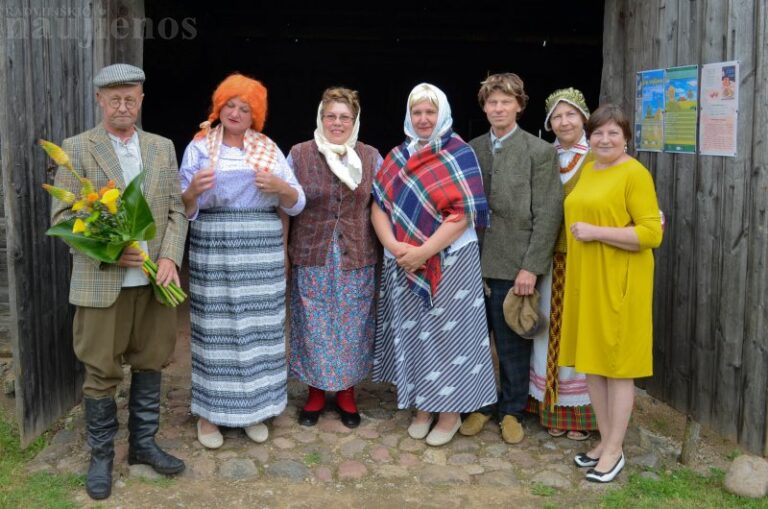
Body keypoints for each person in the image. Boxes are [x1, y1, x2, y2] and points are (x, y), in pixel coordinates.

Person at [50, 64, 188, 500]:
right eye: (114, 99)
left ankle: (144, 445)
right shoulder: (78, 149)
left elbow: (176, 211)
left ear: (142, 98)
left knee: (151, 361)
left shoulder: (162, 147)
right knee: (100, 369)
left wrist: (168, 257)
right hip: (101, 282)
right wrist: (111, 249)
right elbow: (64, 219)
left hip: (152, 284)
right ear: (99, 100)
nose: (123, 106)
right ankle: (102, 455)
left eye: (130, 98)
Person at [179, 73, 305, 449]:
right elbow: (181, 206)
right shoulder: (200, 146)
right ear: (219, 108)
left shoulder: (268, 148)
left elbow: (296, 203)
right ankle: (209, 415)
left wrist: (281, 188)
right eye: (230, 105)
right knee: (214, 330)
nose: (235, 112)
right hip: (214, 245)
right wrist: (191, 192)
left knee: (259, 332)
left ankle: (255, 410)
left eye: (244, 108)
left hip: (261, 249)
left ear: (256, 115)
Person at [371, 83, 497, 447]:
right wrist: (395, 246)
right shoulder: (397, 156)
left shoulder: (460, 153)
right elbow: (379, 206)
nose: (424, 119)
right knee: (414, 333)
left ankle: (450, 412)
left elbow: (462, 215)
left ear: (441, 114)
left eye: (430, 112)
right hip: (402, 258)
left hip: (450, 259)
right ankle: (422, 406)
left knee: (448, 337)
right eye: (417, 112)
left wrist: (424, 251)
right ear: (409, 116)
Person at [560, 104, 663, 483]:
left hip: (620, 280)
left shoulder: (634, 173)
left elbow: (651, 233)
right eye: (597, 133)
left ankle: (616, 450)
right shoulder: (590, 168)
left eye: (612, 133)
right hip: (588, 278)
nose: (604, 139)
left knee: (619, 367)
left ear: (626, 138)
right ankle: (604, 441)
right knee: (594, 362)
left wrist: (597, 232)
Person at [461, 73, 563, 444]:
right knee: (473, 341)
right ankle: (481, 405)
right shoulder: (471, 149)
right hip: (471, 262)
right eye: (492, 102)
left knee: (512, 342)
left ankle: (512, 410)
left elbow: (549, 213)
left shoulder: (540, 152)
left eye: (506, 101)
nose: (499, 108)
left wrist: (531, 268)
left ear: (520, 105)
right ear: (484, 107)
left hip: (514, 263)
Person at [287, 87, 382, 428]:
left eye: (345, 117)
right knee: (313, 325)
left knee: (353, 326)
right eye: (331, 116)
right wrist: (283, 251)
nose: (337, 123)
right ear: (320, 118)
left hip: (356, 254)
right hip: (312, 253)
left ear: (354, 121)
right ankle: (314, 392)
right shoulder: (299, 154)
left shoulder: (371, 157)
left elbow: (382, 206)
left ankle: (346, 393)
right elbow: (286, 205)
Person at [526, 88, 597, 441]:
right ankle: (549, 406)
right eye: (557, 116)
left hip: (586, 259)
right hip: (547, 259)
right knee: (545, 329)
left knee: (579, 331)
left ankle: (581, 413)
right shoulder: (543, 156)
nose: (564, 122)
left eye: (571, 114)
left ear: (584, 117)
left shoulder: (600, 157)